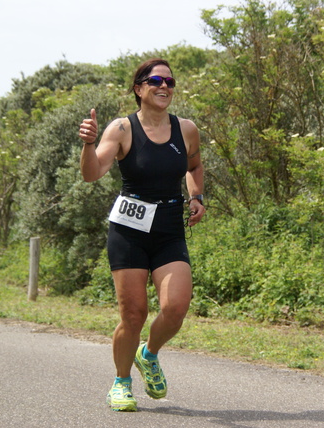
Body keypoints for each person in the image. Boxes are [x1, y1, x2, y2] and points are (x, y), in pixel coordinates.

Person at [78, 58, 205, 412]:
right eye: (155, 80)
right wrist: (88, 144)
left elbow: (194, 166)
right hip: (129, 230)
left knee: (176, 307)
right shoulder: (122, 128)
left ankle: (147, 354)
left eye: (170, 81)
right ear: (139, 88)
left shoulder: (187, 129)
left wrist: (196, 196)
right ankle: (121, 382)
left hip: (168, 229)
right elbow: (92, 174)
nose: (164, 86)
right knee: (133, 314)